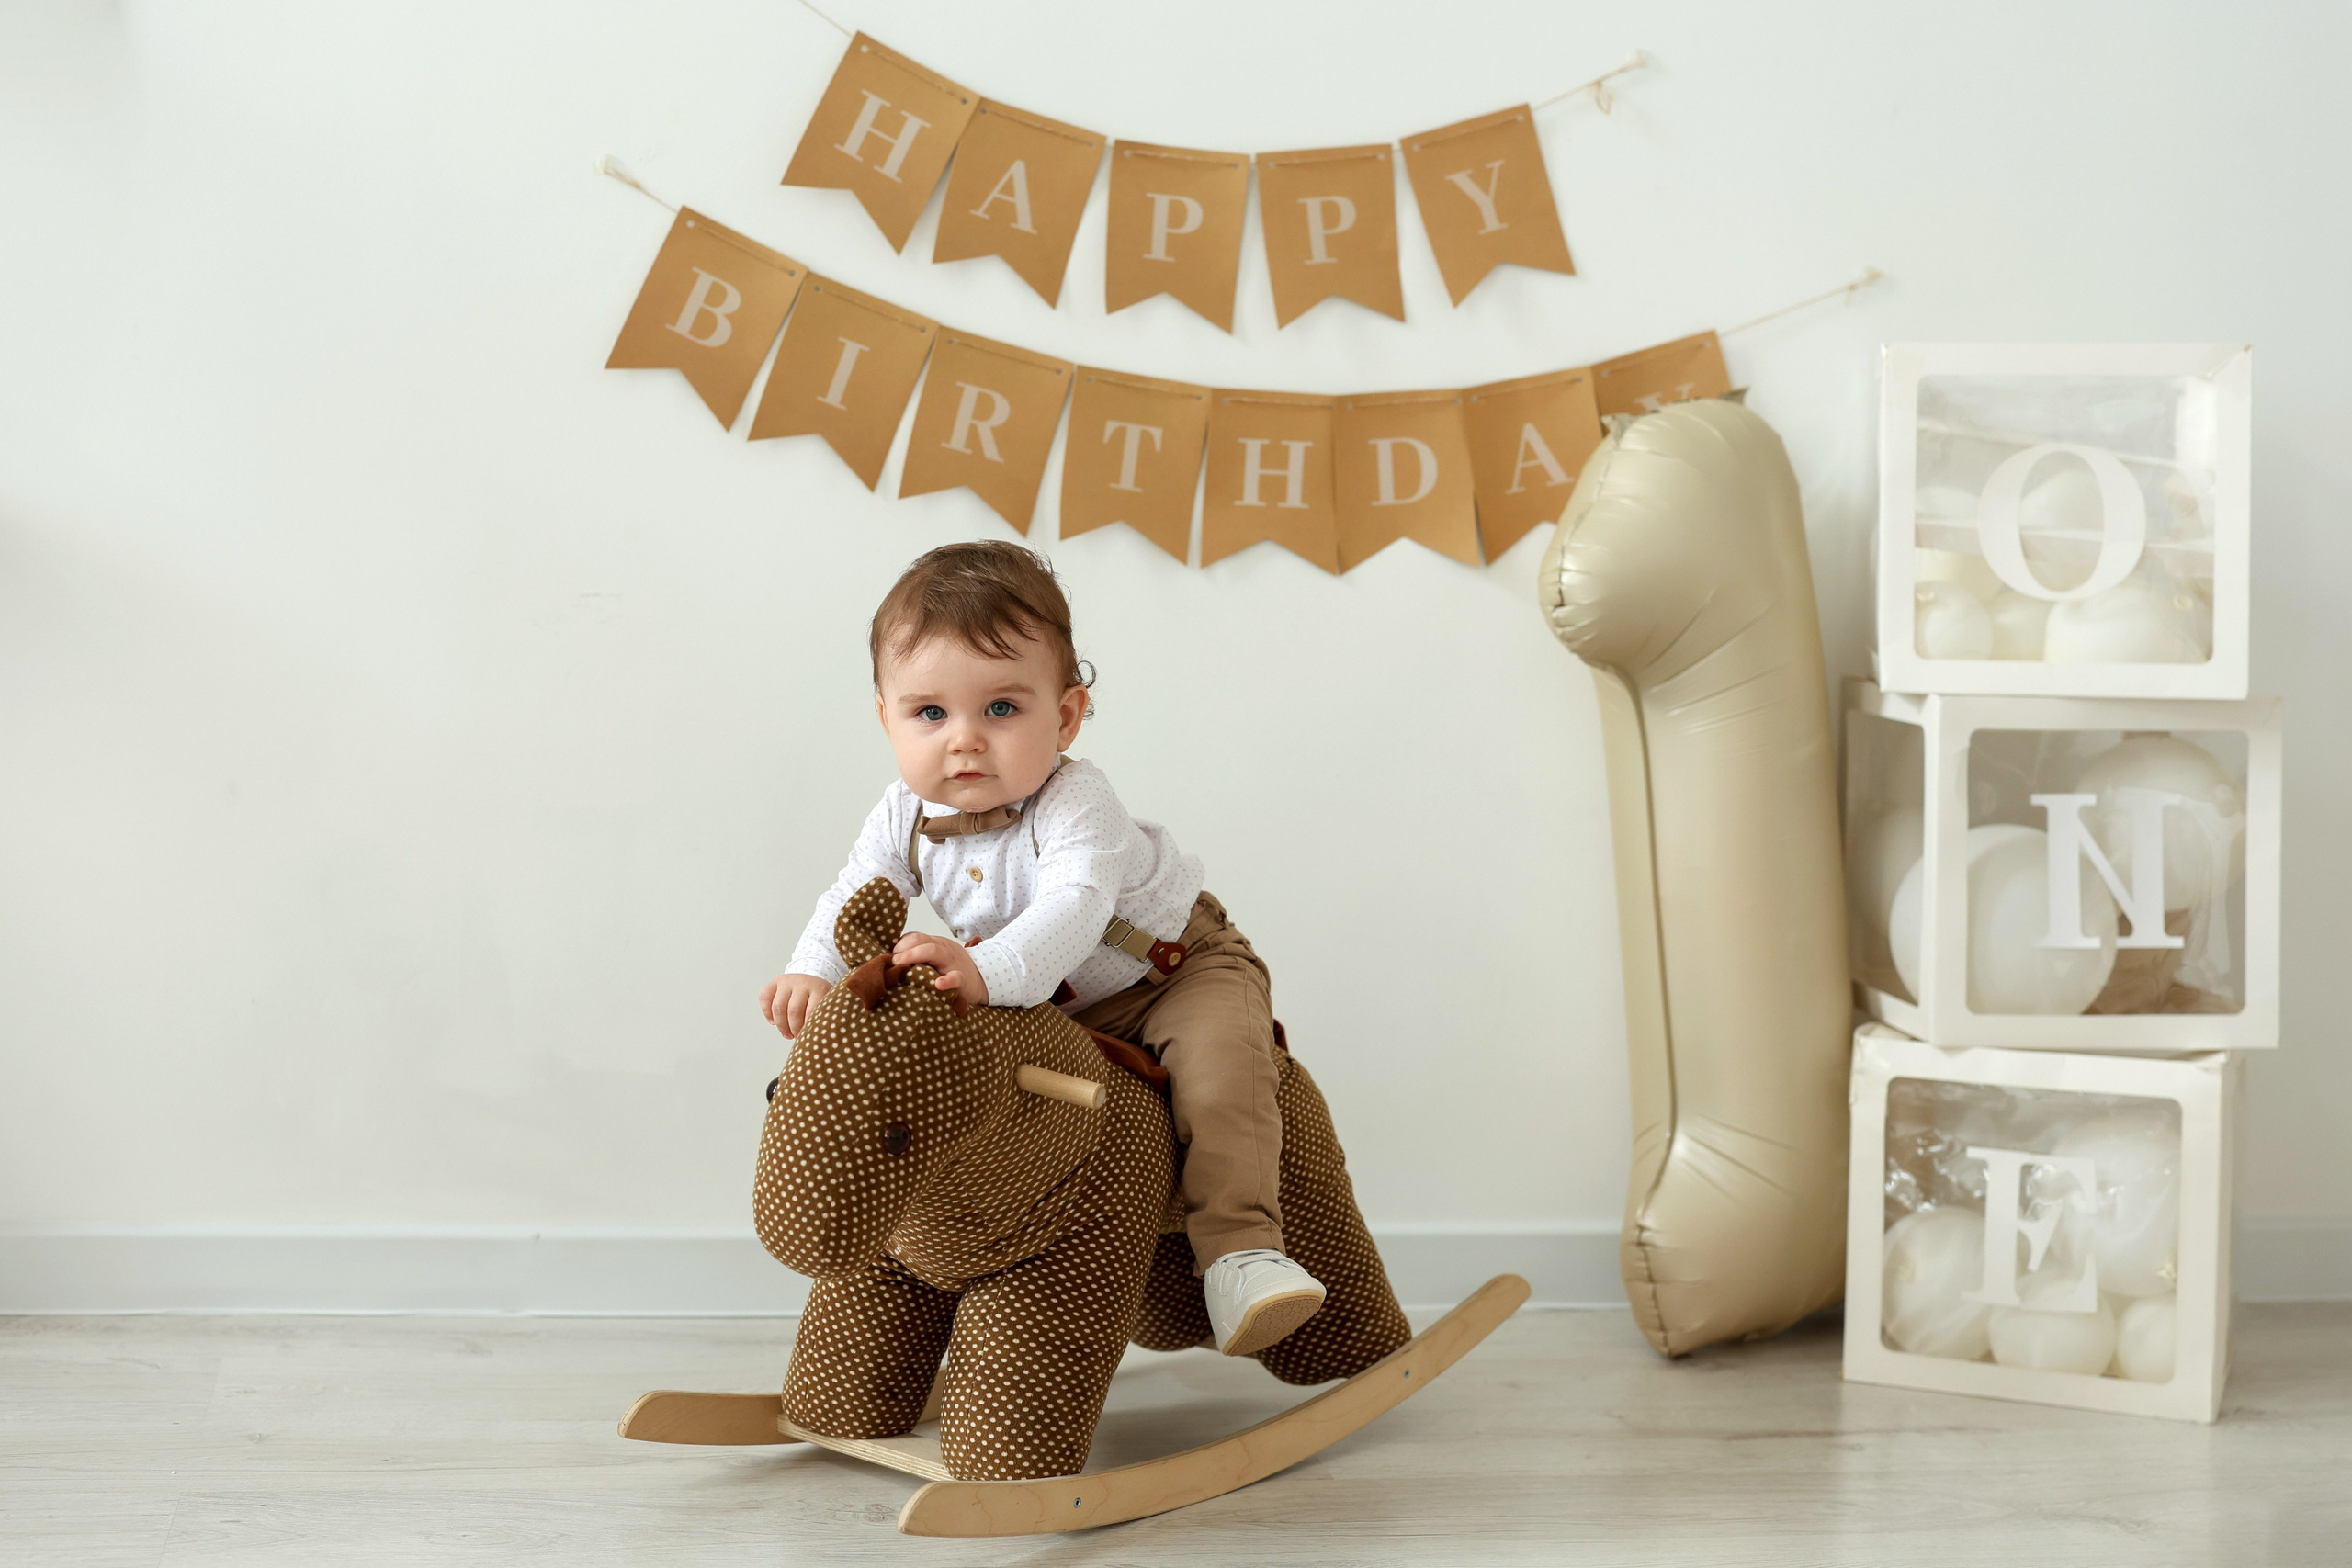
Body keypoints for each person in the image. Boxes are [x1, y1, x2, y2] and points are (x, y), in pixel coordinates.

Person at [759, 540, 1323, 1357]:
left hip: (1175, 968)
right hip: (1054, 1000)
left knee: (1223, 1071)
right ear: (885, 716)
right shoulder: (900, 816)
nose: (964, 740)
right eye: (929, 713)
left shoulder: (1076, 799)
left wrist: (984, 969)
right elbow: (854, 893)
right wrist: (816, 969)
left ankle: (1241, 1254)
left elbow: (1075, 906)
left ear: (1063, 716)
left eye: (1001, 709)